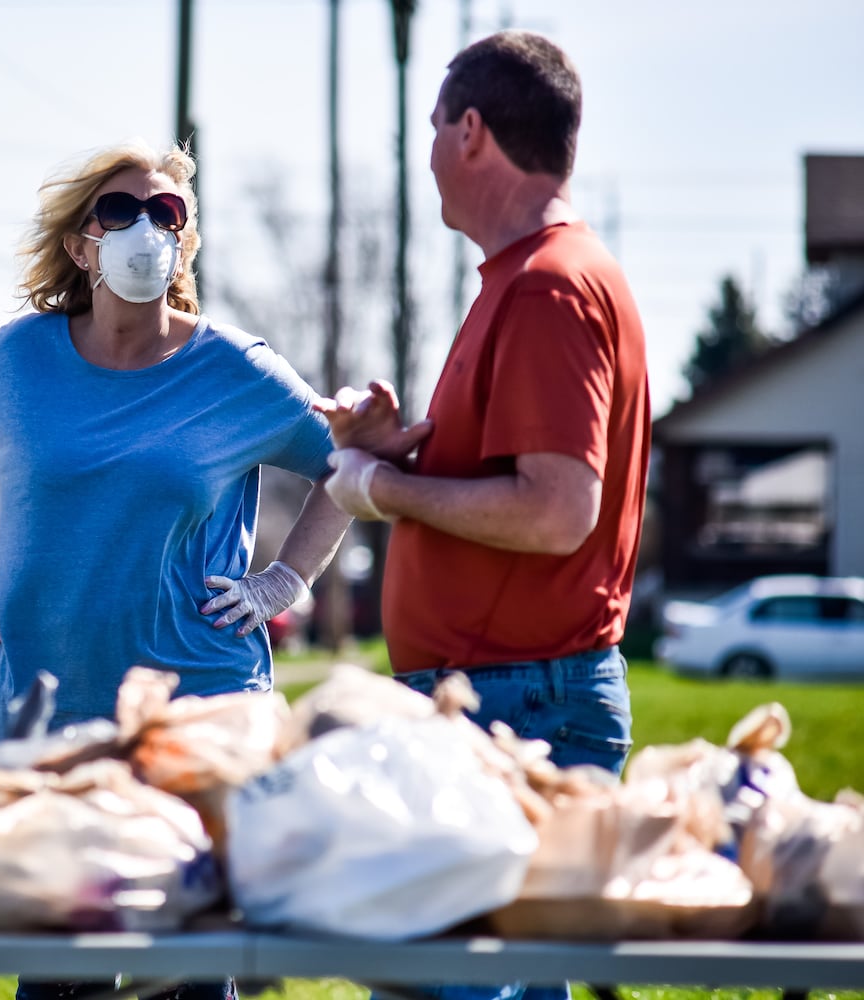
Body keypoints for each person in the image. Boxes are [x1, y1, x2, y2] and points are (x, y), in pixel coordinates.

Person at [0, 138, 352, 1000]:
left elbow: (347, 468)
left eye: (165, 213)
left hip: (195, 729)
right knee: (55, 984)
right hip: (47, 723)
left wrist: (283, 581)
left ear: (185, 241)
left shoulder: (237, 370)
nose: (145, 228)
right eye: (120, 211)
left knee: (188, 986)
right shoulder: (16, 360)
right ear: (80, 243)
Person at [318, 30, 650, 1000]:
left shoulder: (549, 285)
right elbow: (520, 476)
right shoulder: (532, 276)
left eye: (433, 128)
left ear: (471, 132)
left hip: (517, 705)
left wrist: (380, 492)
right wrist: (400, 448)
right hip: (513, 697)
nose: (425, 153)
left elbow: (557, 511)